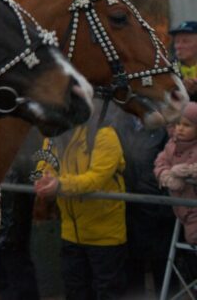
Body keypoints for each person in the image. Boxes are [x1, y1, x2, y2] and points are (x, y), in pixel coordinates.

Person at [33, 112, 127, 299]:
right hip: (70, 233)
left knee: (107, 291)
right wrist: (44, 179)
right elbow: (44, 165)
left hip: (105, 235)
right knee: (74, 290)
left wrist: (60, 184)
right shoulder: (53, 135)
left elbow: (96, 178)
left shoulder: (104, 134)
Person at [110, 104, 175, 296]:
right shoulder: (117, 124)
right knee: (133, 268)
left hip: (158, 210)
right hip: (128, 208)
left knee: (162, 268)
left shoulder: (166, 129)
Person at [155, 102, 197, 245]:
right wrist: (166, 175)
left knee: (193, 237)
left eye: (187, 125)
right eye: (178, 124)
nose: (180, 129)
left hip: (194, 204)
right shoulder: (171, 145)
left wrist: (189, 171)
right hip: (180, 206)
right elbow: (160, 163)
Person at [171, 21, 197, 99]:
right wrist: (180, 88)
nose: (178, 46)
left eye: (185, 41)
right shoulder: (168, 68)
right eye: (176, 42)